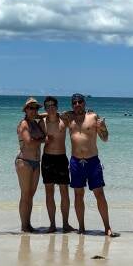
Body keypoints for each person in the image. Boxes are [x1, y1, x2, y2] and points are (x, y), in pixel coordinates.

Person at [60, 93, 118, 237]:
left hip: (92, 161)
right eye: (74, 102)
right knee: (78, 195)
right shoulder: (68, 118)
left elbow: (105, 138)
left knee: (100, 194)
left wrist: (103, 127)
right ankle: (81, 227)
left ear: (84, 103)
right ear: (72, 105)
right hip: (76, 162)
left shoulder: (93, 117)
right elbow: (51, 115)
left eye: (80, 102)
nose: (77, 104)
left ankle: (107, 227)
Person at [40, 96, 75, 233]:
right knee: (49, 192)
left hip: (61, 158)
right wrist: (44, 139)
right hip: (47, 159)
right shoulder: (42, 122)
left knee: (64, 192)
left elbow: (75, 114)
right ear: (45, 108)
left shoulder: (64, 120)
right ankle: (52, 224)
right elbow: (36, 138)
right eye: (47, 106)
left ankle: (65, 224)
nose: (50, 108)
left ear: (57, 106)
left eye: (53, 105)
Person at [15, 98, 45, 232]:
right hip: (24, 162)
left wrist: (45, 114)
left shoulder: (35, 123)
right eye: (30, 108)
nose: (33, 110)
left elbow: (43, 115)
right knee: (25, 194)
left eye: (36, 108)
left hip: (36, 163)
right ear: (26, 110)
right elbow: (28, 141)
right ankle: (24, 225)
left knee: (31, 195)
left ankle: (28, 224)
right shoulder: (24, 124)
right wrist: (45, 140)